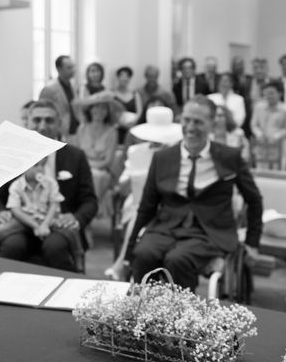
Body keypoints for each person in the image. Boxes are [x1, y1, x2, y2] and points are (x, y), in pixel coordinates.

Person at [125, 95, 263, 290]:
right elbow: (147, 206)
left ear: (212, 124)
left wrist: (252, 243)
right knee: (143, 254)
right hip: (167, 227)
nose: (190, 127)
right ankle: (145, 312)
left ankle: (183, 316)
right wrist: (129, 250)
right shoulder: (163, 158)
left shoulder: (229, 157)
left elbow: (254, 199)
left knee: (177, 260)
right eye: (186, 120)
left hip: (209, 231)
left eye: (198, 122)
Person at [0, 99, 98, 271]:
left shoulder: (75, 156)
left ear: (59, 124)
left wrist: (76, 218)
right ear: (27, 123)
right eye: (37, 120)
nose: (42, 126)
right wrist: (1, 212)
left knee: (55, 247)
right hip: (19, 223)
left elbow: (90, 201)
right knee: (11, 246)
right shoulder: (12, 156)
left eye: (49, 120)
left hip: (59, 225)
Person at [104, 106, 183, 281]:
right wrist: (133, 178)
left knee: (142, 218)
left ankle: (124, 263)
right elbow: (123, 187)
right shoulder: (136, 152)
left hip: (169, 205)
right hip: (137, 202)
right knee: (138, 215)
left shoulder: (177, 155)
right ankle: (128, 265)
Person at [73, 91, 122, 216]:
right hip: (82, 169)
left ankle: (88, 212)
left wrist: (87, 166)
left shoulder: (112, 132)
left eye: (103, 108)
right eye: (96, 107)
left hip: (103, 171)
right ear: (89, 110)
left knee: (97, 176)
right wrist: (83, 167)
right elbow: (76, 155)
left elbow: (107, 161)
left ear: (108, 112)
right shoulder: (82, 128)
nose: (99, 111)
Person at [251, 81, 286, 170]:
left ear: (279, 94)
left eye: (271, 93)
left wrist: (277, 136)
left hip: (278, 145)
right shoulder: (259, 107)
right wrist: (259, 134)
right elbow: (254, 124)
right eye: (266, 93)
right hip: (261, 145)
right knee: (261, 169)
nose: (268, 96)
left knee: (276, 170)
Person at [39, 55, 79, 142]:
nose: (73, 70)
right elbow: (42, 111)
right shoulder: (49, 88)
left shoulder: (72, 85)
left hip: (73, 131)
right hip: (58, 133)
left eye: (73, 66)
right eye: (69, 67)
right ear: (59, 69)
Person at [112, 65, 143, 144]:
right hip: (117, 129)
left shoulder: (135, 94)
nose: (124, 78)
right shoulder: (112, 94)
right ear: (117, 77)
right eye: (121, 75)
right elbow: (111, 111)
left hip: (132, 128)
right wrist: (120, 123)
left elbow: (139, 112)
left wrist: (133, 123)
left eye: (127, 76)